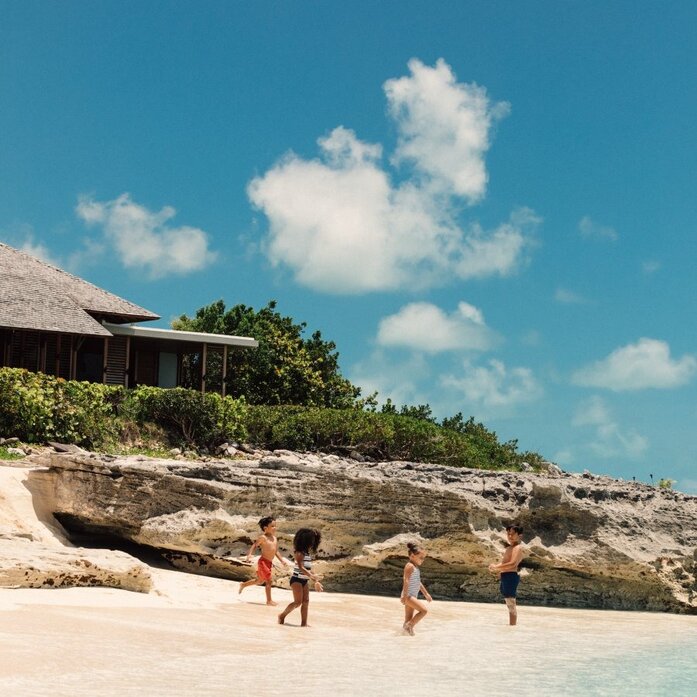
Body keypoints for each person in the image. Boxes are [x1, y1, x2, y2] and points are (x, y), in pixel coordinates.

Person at [238, 516, 290, 606]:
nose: (275, 528)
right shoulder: (263, 537)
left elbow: (276, 551)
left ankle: (243, 585)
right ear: (265, 528)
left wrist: (282, 560)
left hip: (269, 563)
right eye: (273, 526)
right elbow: (254, 545)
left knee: (260, 581)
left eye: (275, 526)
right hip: (263, 562)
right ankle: (269, 601)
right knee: (269, 581)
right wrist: (249, 555)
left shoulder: (275, 538)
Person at [278, 528, 323, 627]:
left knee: (306, 601)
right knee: (298, 602)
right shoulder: (299, 553)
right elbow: (300, 566)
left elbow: (308, 568)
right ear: (306, 541)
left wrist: (316, 580)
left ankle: (304, 623)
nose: (313, 543)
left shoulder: (307, 553)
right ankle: (282, 615)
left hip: (304, 580)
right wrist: (311, 576)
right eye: (312, 541)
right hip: (296, 580)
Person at [488, 523, 525, 625]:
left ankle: (512, 627)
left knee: (511, 604)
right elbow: (504, 563)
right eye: (508, 534)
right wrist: (496, 567)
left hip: (511, 577)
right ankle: (511, 627)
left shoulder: (518, 548)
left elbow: (513, 564)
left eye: (512, 534)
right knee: (509, 604)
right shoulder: (509, 548)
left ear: (520, 535)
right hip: (506, 576)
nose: (510, 536)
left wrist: (497, 567)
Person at [400, 541, 432, 636]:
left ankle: (405, 636)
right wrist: (405, 596)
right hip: (408, 595)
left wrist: (426, 594)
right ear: (412, 556)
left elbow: (418, 582)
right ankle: (409, 626)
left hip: (412, 595)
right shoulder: (409, 566)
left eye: (423, 558)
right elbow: (406, 580)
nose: (422, 560)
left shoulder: (416, 567)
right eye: (421, 558)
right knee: (423, 611)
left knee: (408, 618)